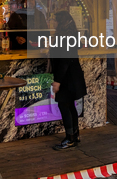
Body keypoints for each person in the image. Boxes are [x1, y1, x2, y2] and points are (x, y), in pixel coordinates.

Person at [51, 11, 87, 151]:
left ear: (61, 22)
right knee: (69, 106)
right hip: (72, 76)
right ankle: (75, 135)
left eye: (55, 20)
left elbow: (64, 60)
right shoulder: (71, 34)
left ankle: (69, 138)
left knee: (64, 106)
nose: (53, 22)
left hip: (67, 77)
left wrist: (57, 81)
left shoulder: (64, 36)